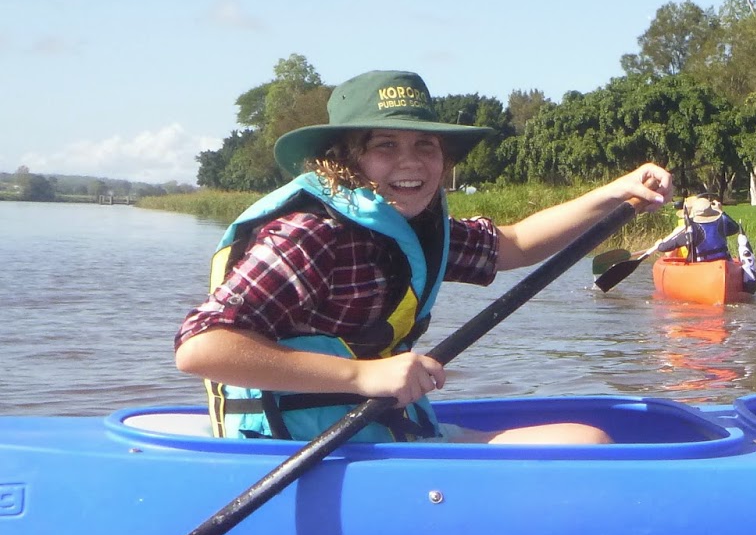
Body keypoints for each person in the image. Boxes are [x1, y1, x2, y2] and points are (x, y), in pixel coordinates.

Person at [175, 69, 672, 445]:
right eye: (385, 145)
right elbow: (200, 346)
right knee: (586, 443)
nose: (410, 161)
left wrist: (615, 192)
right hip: (301, 450)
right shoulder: (308, 235)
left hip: (374, 434)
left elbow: (516, 243)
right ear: (344, 160)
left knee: (579, 439)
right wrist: (362, 376)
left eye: (426, 145)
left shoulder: (413, 232)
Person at [647, 193, 756, 292]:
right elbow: (735, 228)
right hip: (725, 263)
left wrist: (659, 244)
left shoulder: (691, 230)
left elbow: (665, 247)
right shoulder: (722, 221)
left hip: (702, 269)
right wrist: (721, 211)